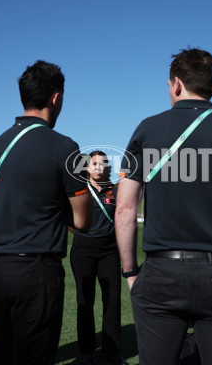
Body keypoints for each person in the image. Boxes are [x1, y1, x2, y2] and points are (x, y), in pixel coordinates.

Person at [116, 48, 212, 365]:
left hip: (162, 269)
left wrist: (131, 271)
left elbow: (125, 208)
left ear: (176, 84)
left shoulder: (147, 129)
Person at [0, 60, 91, 365]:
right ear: (56, 98)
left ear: (23, 97)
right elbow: (83, 221)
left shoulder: (0, 143)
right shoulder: (66, 146)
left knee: (6, 354)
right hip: (36, 269)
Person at [70, 151, 128, 365]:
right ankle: (87, 350)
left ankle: (112, 352)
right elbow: (68, 217)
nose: (98, 167)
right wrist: (83, 234)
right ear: (86, 167)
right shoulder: (78, 190)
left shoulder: (115, 189)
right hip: (83, 249)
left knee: (112, 301)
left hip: (109, 251)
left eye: (102, 163)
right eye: (94, 163)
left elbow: (122, 217)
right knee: (85, 300)